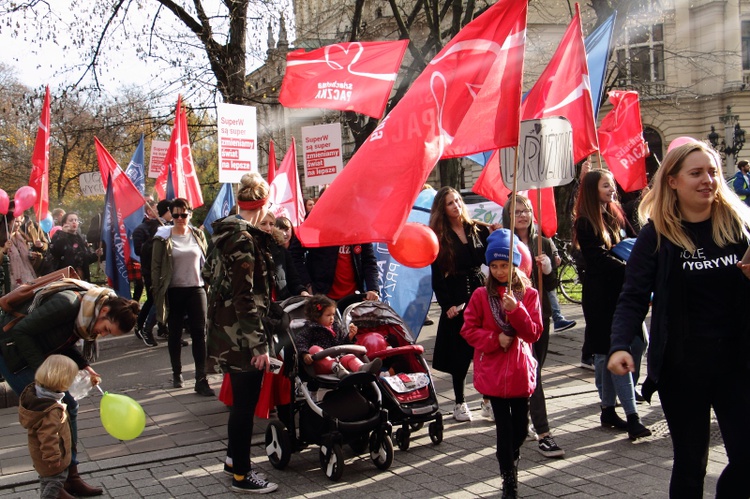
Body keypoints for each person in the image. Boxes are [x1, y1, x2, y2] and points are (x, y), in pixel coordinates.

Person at [609, 142, 750, 498]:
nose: (708, 180)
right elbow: (633, 296)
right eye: (697, 173)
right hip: (682, 369)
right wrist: (620, 345)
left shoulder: (738, 226)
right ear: (672, 181)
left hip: (738, 364)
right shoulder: (656, 236)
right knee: (690, 463)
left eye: (713, 172)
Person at [0, 280, 139, 497]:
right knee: (44, 414)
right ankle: (54, 485)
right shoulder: (67, 304)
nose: (102, 334)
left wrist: (84, 365)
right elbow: (22, 332)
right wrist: (44, 373)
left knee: (68, 407)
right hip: (11, 353)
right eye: (106, 329)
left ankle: (70, 478)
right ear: (104, 310)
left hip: (31, 353)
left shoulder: (85, 313)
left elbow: (61, 339)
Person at [203, 172, 279, 494]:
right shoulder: (244, 240)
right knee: (245, 406)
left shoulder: (224, 233)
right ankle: (242, 476)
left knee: (241, 403)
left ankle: (234, 460)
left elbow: (208, 274)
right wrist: (259, 345)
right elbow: (244, 296)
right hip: (241, 336)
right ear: (261, 206)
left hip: (226, 331)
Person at [460, 229, 542, 499]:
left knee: (519, 429)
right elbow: (468, 329)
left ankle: (511, 455)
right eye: (493, 265)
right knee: (504, 429)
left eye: (504, 265)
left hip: (519, 373)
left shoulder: (528, 295)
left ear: (514, 264)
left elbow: (533, 333)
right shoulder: (481, 296)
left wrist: (515, 311)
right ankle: (509, 479)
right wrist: (495, 339)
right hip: (493, 374)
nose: (498, 271)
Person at [573, 169, 650, 440]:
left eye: (612, 185)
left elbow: (634, 242)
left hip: (622, 291)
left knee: (636, 344)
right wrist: (631, 268)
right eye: (607, 185)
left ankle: (610, 406)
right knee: (610, 352)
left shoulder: (616, 213)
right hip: (601, 297)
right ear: (594, 189)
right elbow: (598, 259)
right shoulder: (584, 222)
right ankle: (631, 416)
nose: (612, 189)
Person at [502, 195, 565, 458]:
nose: (522, 216)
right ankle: (544, 433)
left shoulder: (544, 243)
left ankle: (524, 418)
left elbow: (551, 288)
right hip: (515, 316)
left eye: (526, 210)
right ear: (508, 216)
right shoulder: (505, 245)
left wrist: (548, 270)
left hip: (541, 316)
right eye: (516, 212)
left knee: (534, 371)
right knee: (533, 374)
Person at [429, 186, 491, 422]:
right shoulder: (439, 236)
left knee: (485, 349)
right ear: (442, 209)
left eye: (457, 200)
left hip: (479, 291)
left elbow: (489, 255)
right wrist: (447, 304)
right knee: (460, 353)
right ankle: (460, 402)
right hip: (456, 294)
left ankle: (487, 400)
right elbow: (436, 274)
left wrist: (494, 233)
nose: (456, 205)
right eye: (450, 203)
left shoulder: (474, 228)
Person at [151, 198, 214, 396]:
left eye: (184, 214)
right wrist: (157, 292)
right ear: (171, 214)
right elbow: (156, 267)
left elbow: (207, 260)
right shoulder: (162, 237)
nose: (180, 218)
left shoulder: (197, 234)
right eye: (176, 214)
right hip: (173, 289)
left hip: (196, 288)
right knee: (175, 333)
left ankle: (201, 379)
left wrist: (209, 282)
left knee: (199, 334)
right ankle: (177, 373)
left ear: (190, 215)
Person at [18, 354, 79, 499]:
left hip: (42, 457)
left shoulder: (39, 397)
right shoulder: (50, 410)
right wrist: (53, 457)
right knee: (55, 483)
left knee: (47, 481)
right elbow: (48, 436)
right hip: (50, 459)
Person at [296, 294, 381, 377]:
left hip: (338, 359)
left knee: (350, 357)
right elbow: (300, 341)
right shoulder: (310, 329)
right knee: (314, 349)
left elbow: (342, 344)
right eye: (328, 315)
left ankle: (362, 368)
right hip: (320, 365)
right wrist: (305, 354)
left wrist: (350, 336)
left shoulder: (336, 328)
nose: (332, 318)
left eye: (333, 315)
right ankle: (336, 367)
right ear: (316, 316)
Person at [259, 212, 308, 301]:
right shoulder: (248, 251)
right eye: (263, 224)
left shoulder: (281, 251)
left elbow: (293, 280)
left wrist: (302, 292)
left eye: (271, 224)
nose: (268, 228)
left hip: (280, 306)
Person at [46, 213, 102, 282]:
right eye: (71, 220)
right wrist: (63, 234)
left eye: (76, 220)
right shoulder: (59, 235)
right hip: (65, 276)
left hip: (81, 277)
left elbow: (85, 259)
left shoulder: (79, 238)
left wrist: (96, 255)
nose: (74, 222)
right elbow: (54, 251)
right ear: (64, 223)